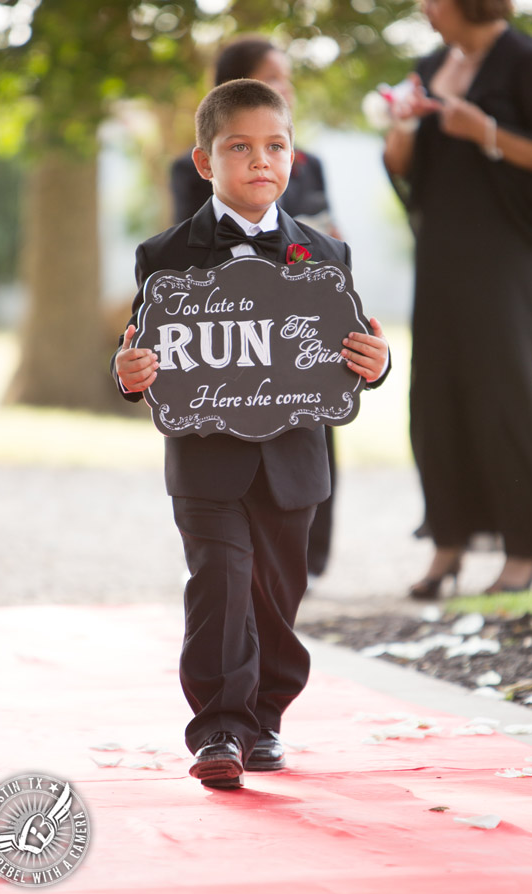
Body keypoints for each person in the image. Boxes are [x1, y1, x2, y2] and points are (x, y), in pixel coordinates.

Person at [113, 79, 390, 788]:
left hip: (293, 460)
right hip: (206, 462)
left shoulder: (326, 256)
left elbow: (347, 355)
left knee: (275, 596)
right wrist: (131, 370)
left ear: (292, 156)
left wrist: (376, 363)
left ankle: (266, 719)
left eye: (275, 146)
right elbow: (143, 349)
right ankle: (219, 732)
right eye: (240, 148)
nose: (260, 160)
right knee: (220, 584)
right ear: (206, 162)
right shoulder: (165, 255)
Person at [382, 0, 532, 598]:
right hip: (440, 254)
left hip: (504, 250)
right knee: (433, 390)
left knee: (502, 387)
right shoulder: (429, 62)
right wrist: (404, 124)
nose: (425, 8)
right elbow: (400, 166)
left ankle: (525, 547)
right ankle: (447, 545)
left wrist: (485, 131)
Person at [171, 36, 341, 579]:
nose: (285, 87)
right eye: (274, 77)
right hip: (228, 343)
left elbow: (324, 230)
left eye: (276, 149)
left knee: (307, 438)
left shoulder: (308, 165)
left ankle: (306, 558)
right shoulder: (188, 176)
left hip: (296, 342)